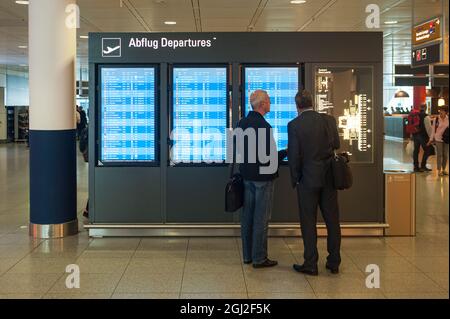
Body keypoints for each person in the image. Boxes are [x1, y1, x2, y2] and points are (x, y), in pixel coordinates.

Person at [287, 90, 341, 276]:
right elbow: (336, 144)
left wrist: (295, 179)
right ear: (313, 102)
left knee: (308, 222)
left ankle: (311, 263)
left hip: (307, 180)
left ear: (297, 106)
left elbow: (294, 156)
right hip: (328, 178)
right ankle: (334, 262)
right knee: (332, 221)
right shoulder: (329, 120)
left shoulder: (294, 125)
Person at [236, 90, 287, 268]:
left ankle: (248, 256)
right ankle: (259, 258)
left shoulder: (241, 124)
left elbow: (239, 152)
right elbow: (270, 158)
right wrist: (287, 151)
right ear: (262, 104)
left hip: (246, 178)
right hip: (263, 180)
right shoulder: (264, 126)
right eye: (269, 101)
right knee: (261, 219)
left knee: (247, 217)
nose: (270, 104)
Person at [412, 104, 433, 172]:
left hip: (415, 135)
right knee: (427, 150)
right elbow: (428, 128)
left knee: (416, 151)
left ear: (419, 108)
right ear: (426, 108)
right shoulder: (426, 116)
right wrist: (431, 137)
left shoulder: (415, 115)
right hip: (423, 136)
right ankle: (423, 166)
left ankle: (416, 167)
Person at [429, 106, 449, 176]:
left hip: (446, 139)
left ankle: (444, 169)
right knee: (439, 155)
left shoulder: (448, 119)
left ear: (446, 112)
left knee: (445, 155)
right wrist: (431, 139)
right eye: (440, 110)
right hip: (438, 139)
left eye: (442, 110)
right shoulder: (436, 119)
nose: (440, 112)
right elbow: (433, 130)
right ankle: (439, 170)